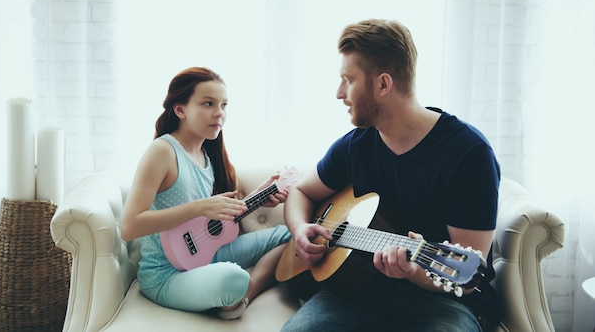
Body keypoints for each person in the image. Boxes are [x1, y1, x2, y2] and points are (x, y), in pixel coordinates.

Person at [280, 19, 500, 332]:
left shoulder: (468, 154)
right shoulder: (355, 145)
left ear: (384, 84)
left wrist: (413, 271)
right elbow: (301, 192)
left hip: (441, 301)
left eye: (348, 80)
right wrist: (301, 228)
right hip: (354, 293)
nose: (339, 93)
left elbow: (467, 279)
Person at [121, 66, 290, 320]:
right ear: (180, 109)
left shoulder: (207, 157)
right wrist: (200, 207)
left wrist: (257, 197)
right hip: (166, 275)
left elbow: (206, 228)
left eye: (224, 105)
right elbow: (129, 227)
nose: (219, 113)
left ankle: (242, 298)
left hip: (207, 255)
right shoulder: (163, 151)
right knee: (233, 278)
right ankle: (233, 293)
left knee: (292, 234)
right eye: (208, 104)